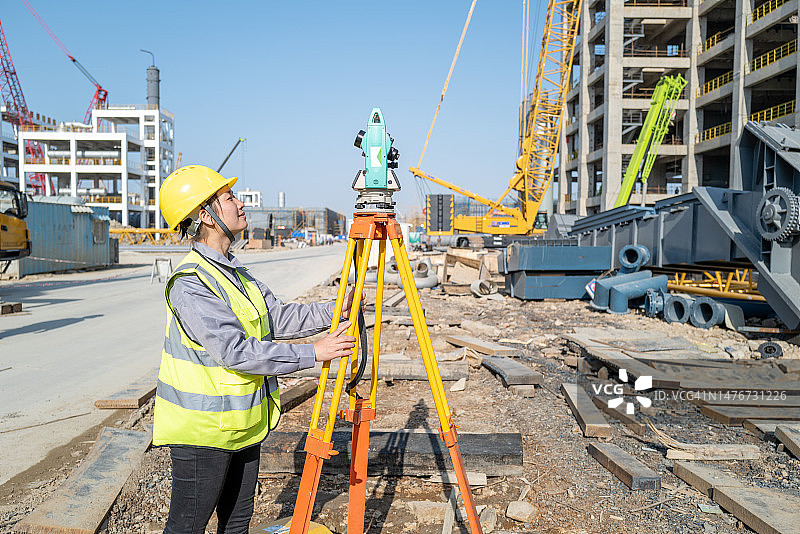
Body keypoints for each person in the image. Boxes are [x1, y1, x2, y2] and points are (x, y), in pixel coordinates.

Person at [153, 165, 359, 534]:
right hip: (203, 433)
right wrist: (314, 353)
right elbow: (236, 351)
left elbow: (277, 316)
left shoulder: (236, 274)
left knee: (236, 524)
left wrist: (335, 309)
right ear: (206, 216)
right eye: (229, 197)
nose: (240, 203)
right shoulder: (191, 283)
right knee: (187, 527)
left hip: (243, 426)